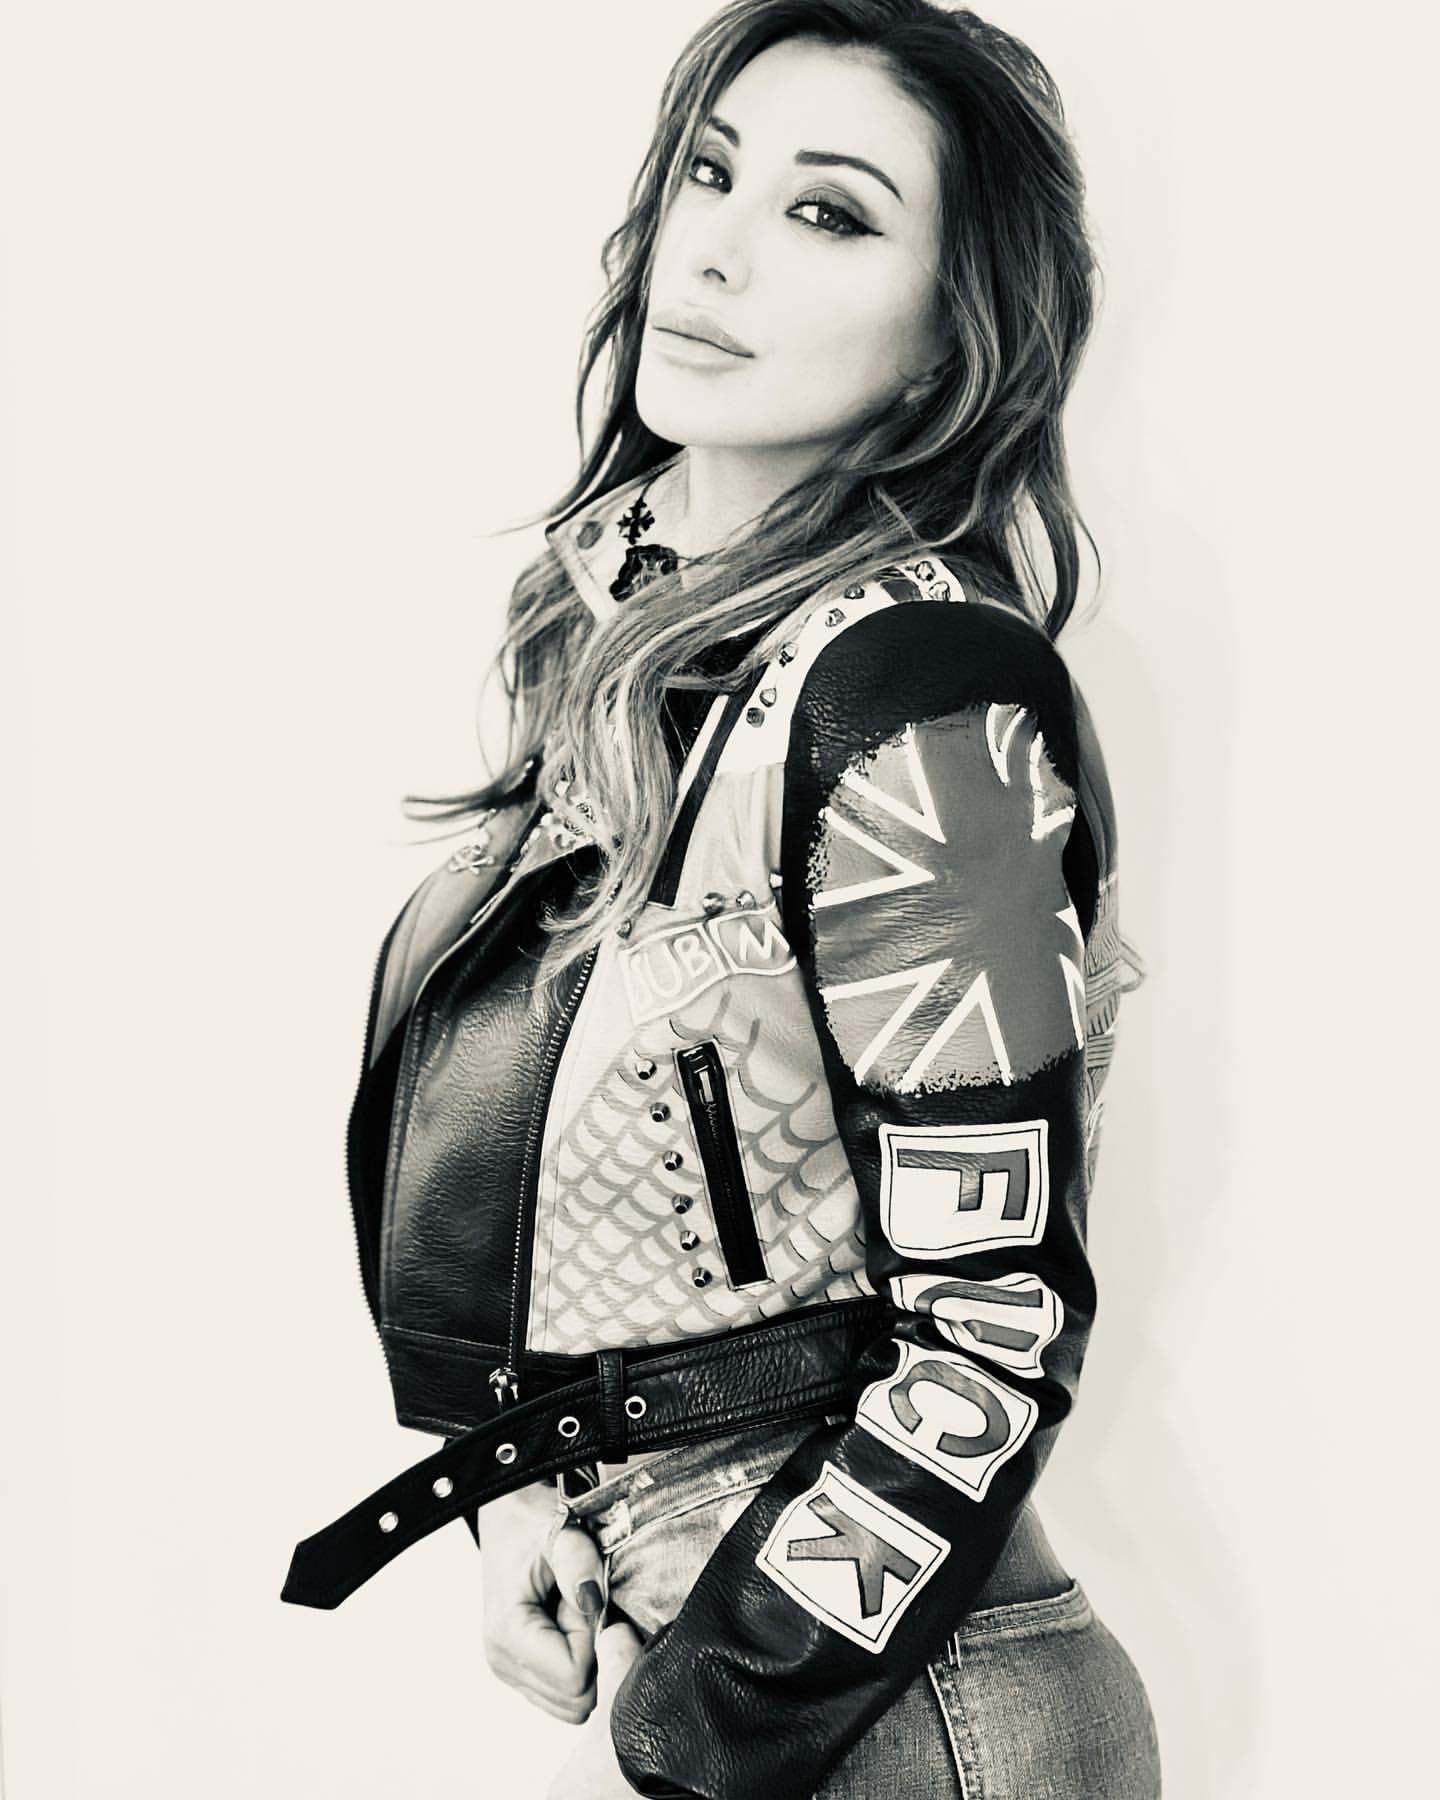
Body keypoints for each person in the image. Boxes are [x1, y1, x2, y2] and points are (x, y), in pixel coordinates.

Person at [281, 2, 1162, 1795]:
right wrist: (523, 1486)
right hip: (741, 1654)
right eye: (709, 172)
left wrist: (717, 1720)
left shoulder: (921, 699)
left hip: (903, 1715)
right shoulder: (627, 637)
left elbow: (991, 1332)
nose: (716, 249)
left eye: (830, 212)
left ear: (947, 340)